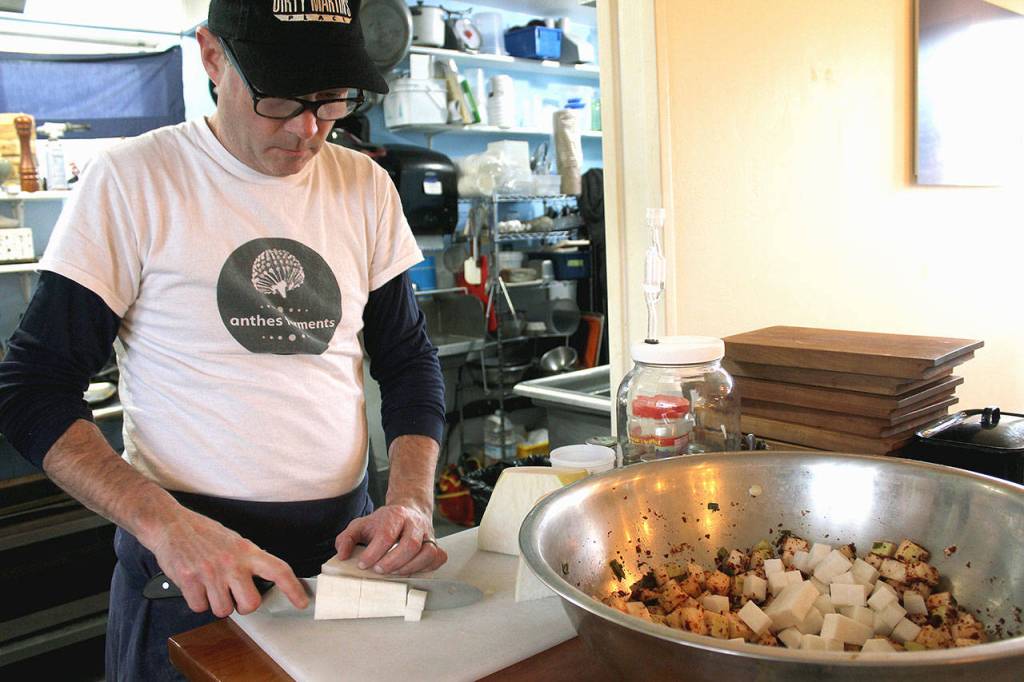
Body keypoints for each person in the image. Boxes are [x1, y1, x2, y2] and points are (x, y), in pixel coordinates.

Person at [0, 1, 447, 679]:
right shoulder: (134, 180)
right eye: (280, 99)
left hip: (343, 562)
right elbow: (32, 389)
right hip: (190, 573)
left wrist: (409, 499)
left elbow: (409, 361)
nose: (307, 129)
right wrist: (167, 526)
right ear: (213, 57)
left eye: (331, 100)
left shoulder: (364, 186)